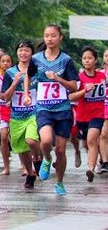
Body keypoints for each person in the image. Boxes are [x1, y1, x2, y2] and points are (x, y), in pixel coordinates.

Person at [32, 24, 78, 195]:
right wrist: (30, 93)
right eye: (46, 36)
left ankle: (59, 182)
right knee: (45, 141)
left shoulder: (66, 60)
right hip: (43, 107)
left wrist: (58, 78)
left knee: (60, 150)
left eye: (53, 36)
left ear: (60, 38)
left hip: (63, 110)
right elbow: (28, 76)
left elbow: (73, 86)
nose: (49, 39)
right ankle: (46, 158)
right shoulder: (36, 59)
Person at [0, 40, 41, 189]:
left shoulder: (37, 70)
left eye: (27, 50)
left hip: (34, 113)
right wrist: (14, 82)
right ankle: (30, 173)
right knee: (21, 149)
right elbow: (6, 97)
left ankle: (38, 159)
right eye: (20, 50)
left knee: (31, 140)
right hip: (16, 115)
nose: (23, 53)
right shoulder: (10, 72)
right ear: (16, 52)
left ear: (32, 53)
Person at [68, 46, 105, 182]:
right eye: (84, 58)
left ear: (95, 60)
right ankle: (82, 154)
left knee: (92, 140)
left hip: (98, 114)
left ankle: (90, 169)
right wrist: (85, 91)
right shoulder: (79, 78)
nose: (87, 60)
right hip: (83, 116)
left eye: (90, 58)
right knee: (85, 144)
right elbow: (71, 97)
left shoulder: (102, 76)